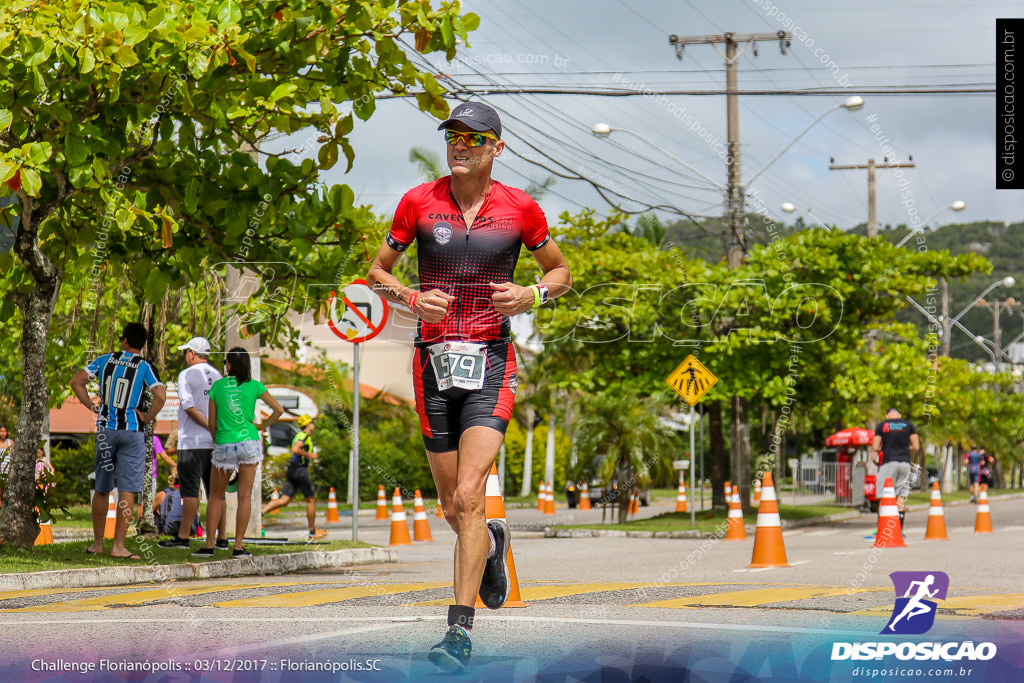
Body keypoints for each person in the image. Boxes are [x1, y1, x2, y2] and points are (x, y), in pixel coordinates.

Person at [367, 101, 572, 673]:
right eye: (453, 137)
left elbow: (561, 272)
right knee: (452, 505)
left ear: (496, 148)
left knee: (470, 495)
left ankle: (457, 632)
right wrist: (411, 297)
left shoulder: (519, 208)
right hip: (432, 362)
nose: (460, 146)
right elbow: (376, 271)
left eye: (473, 138)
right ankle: (491, 547)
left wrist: (532, 295)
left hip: (491, 359)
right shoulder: (418, 202)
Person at [69, 322, 166, 560]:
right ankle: (119, 547)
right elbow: (161, 396)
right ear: (141, 345)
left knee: (102, 488)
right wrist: (146, 417)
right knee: (127, 489)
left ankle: (98, 544)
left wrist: (92, 406)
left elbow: (76, 382)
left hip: (106, 430)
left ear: (124, 340)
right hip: (132, 431)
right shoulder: (143, 366)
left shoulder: (104, 360)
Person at [196, 347, 283, 557]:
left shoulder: (218, 386)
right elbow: (279, 409)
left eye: (226, 361)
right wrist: (262, 426)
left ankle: (209, 545)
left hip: (225, 442)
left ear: (230, 364)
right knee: (245, 497)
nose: (225, 364)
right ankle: (238, 547)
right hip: (249, 441)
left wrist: (218, 440)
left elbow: (212, 423)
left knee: (216, 496)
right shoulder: (255, 386)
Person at [159, 337, 228, 550]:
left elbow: (188, 406)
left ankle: (182, 537)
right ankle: (222, 538)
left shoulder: (186, 374)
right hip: (215, 443)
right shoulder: (218, 375)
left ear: (192, 354)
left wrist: (208, 426)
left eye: (186, 353)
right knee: (217, 493)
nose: (185, 357)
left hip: (191, 443)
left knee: (189, 491)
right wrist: (216, 431)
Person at [261, 414, 327, 540]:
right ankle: (313, 533)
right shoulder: (303, 436)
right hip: (299, 470)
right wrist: (309, 455)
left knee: (285, 500)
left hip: (292, 469)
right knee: (311, 500)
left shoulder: (298, 435)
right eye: (312, 423)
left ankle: (261, 513)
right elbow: (296, 449)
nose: (313, 425)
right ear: (308, 425)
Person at [871, 408, 919, 531]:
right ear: (900, 415)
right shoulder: (908, 425)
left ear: (887, 416)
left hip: (889, 463)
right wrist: (904, 447)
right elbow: (916, 446)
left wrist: (884, 448)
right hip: (905, 463)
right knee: (900, 498)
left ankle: (881, 530)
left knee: (883, 496)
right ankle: (899, 530)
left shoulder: (882, 425)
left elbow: (875, 446)